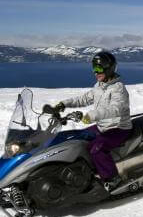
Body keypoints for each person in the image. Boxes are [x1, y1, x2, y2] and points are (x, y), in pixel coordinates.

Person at [52, 51, 132, 192]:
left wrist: (92, 116)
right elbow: (84, 99)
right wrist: (64, 104)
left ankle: (112, 179)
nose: (96, 72)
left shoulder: (118, 89)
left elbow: (116, 109)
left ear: (109, 68)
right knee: (75, 138)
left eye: (99, 69)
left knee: (97, 148)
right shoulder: (99, 86)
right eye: (94, 69)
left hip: (119, 128)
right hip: (103, 127)